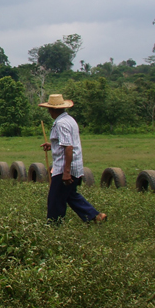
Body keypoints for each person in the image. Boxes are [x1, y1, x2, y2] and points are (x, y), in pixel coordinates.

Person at [38, 94, 106, 224]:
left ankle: (53, 225)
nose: (49, 112)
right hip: (75, 166)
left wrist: (66, 172)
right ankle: (95, 216)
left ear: (53, 110)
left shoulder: (61, 124)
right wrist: (52, 145)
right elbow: (65, 143)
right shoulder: (69, 119)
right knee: (70, 195)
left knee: (55, 198)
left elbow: (68, 147)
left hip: (64, 168)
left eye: (49, 109)